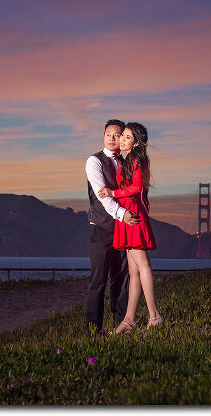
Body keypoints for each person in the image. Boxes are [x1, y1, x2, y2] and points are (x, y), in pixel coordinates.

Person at [97, 122, 163, 333]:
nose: (121, 140)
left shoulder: (137, 159)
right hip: (127, 216)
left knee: (143, 266)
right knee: (133, 272)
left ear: (136, 143)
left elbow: (135, 188)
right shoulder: (130, 159)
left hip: (132, 216)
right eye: (122, 136)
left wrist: (112, 193)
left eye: (126, 137)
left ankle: (154, 316)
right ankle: (129, 320)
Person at [85, 119, 140, 336]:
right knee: (98, 280)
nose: (111, 138)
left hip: (122, 228)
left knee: (121, 277)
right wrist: (122, 214)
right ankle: (93, 331)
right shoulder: (94, 161)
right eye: (108, 133)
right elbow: (102, 197)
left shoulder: (127, 162)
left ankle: (121, 324)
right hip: (100, 227)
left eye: (117, 135)